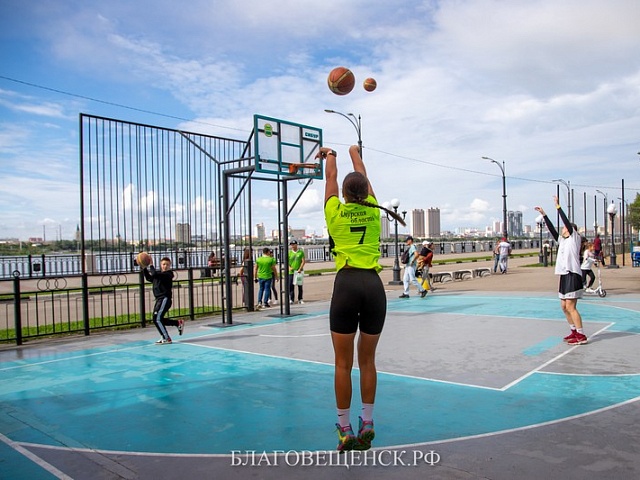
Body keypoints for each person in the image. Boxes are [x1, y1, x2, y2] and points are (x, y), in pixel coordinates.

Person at [320, 144, 406, 452]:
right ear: (365, 191)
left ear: (343, 195)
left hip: (346, 285)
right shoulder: (372, 208)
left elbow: (330, 176)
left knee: (342, 364)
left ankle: (344, 428)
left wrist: (330, 156)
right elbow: (363, 176)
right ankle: (367, 421)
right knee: (367, 361)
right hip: (373, 287)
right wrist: (354, 151)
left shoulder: (335, 212)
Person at [535, 196, 588, 345]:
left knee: (571, 306)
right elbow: (552, 229)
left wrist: (558, 206)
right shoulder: (562, 240)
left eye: (565, 228)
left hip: (573, 274)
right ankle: (573, 331)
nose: (563, 229)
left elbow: (566, 222)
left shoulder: (574, 238)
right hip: (564, 275)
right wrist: (544, 215)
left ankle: (581, 335)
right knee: (564, 306)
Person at [142, 256, 183, 344]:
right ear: (161, 265)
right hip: (159, 300)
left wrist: (151, 264)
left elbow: (155, 274)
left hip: (164, 299)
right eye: (164, 264)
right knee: (158, 319)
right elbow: (149, 278)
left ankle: (166, 338)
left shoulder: (168, 274)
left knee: (156, 319)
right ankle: (177, 323)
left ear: (170, 266)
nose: (165, 266)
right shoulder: (159, 275)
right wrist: (144, 267)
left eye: (167, 265)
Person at [288, 239, 306, 304]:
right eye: (291, 245)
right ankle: (291, 299)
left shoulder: (300, 252)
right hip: (291, 272)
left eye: (294, 244)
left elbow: (303, 261)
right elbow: (286, 262)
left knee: (299, 285)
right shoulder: (289, 253)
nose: (292, 246)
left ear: (296, 245)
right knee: (291, 285)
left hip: (298, 272)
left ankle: (300, 299)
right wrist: (289, 267)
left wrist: (300, 269)